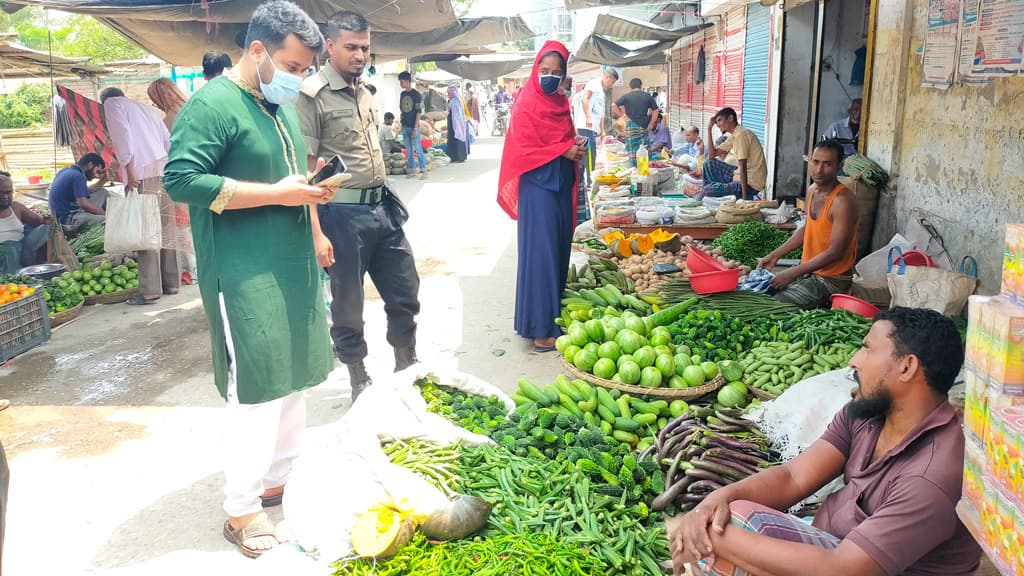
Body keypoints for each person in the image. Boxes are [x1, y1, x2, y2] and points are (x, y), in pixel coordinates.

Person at [163, 0, 334, 558]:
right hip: (243, 269)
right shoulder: (212, 105)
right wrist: (278, 194)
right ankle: (241, 510)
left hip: (291, 261)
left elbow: (284, 174)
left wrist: (309, 200)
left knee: (294, 376)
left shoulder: (277, 105)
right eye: (294, 66)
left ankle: (276, 480)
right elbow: (182, 180)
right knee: (256, 386)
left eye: (307, 69)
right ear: (257, 50)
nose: (300, 78)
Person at [670, 306, 982, 576]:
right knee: (730, 512)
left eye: (867, 348)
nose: (853, 360)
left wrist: (715, 536)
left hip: (864, 567)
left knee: (731, 529)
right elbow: (794, 477)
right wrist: (716, 500)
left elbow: (842, 570)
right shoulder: (869, 414)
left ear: (907, 367)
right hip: (837, 542)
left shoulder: (931, 475)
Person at [296, 10, 421, 399]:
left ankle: (406, 365)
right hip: (342, 216)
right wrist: (316, 232)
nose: (360, 55)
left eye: (365, 47)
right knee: (348, 303)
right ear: (330, 46)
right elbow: (304, 172)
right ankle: (357, 375)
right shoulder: (311, 96)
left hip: (383, 207)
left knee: (405, 290)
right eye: (351, 47)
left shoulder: (367, 90)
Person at [497, 41, 583, 352]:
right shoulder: (526, 102)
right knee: (542, 257)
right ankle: (541, 329)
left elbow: (562, 138)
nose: (549, 76)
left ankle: (551, 320)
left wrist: (573, 148)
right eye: (543, 71)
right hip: (538, 189)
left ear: (563, 75)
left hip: (559, 185)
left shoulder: (560, 103)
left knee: (558, 252)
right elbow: (523, 149)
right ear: (535, 71)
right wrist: (564, 150)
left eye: (556, 72)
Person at [100, 86, 181, 304]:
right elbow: (168, 142)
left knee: (145, 231)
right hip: (162, 172)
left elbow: (122, 139)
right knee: (166, 229)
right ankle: (171, 283)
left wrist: (131, 174)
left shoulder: (112, 104)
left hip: (142, 173)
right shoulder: (147, 110)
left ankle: (150, 290)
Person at [758, 140, 858, 309]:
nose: (819, 170)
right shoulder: (812, 190)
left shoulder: (843, 201)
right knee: (759, 293)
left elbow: (835, 252)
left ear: (839, 165)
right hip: (808, 272)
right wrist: (775, 255)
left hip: (830, 280)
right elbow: (807, 230)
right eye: (816, 162)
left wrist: (792, 272)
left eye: (827, 164)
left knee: (773, 306)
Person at [703, 107, 767, 200]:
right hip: (738, 175)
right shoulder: (735, 134)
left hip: (750, 184)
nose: (717, 124)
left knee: (707, 190)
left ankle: (709, 193)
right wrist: (709, 129)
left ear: (730, 118)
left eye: (720, 120)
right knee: (709, 163)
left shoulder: (742, 135)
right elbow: (712, 155)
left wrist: (744, 199)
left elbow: (743, 167)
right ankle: (713, 192)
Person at [572, 68, 618, 188]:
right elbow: (584, 98)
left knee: (592, 154)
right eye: (612, 82)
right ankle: (588, 181)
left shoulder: (602, 92)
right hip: (585, 126)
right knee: (589, 153)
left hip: (594, 128)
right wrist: (588, 117)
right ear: (607, 77)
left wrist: (602, 131)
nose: (611, 85)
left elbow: (601, 113)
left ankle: (588, 179)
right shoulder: (593, 84)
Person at [0, 173, 52, 274]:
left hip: (21, 253)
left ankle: (41, 265)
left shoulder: (17, 208)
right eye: (1, 193)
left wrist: (47, 220)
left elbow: (39, 221)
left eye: (8, 192)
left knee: (47, 229)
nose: (5, 196)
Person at [47, 153, 108, 230]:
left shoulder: (67, 171)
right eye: (97, 171)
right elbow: (84, 204)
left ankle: (102, 214)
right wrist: (105, 214)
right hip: (67, 221)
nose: (97, 176)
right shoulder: (78, 177)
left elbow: (89, 190)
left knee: (103, 192)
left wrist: (104, 179)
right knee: (108, 221)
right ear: (90, 165)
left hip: (63, 213)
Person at [614, 78, 659, 166]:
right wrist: (652, 123)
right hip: (644, 126)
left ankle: (634, 170)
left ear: (631, 87)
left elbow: (613, 105)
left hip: (631, 125)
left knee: (632, 151)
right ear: (640, 85)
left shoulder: (626, 96)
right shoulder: (647, 96)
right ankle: (646, 170)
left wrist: (622, 117)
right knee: (644, 148)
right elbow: (656, 110)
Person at [397, 71, 428, 180]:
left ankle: (424, 170)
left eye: (401, 81)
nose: (400, 84)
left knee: (417, 148)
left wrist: (415, 127)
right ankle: (413, 170)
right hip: (405, 125)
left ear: (407, 81)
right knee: (408, 150)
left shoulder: (416, 95)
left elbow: (418, 112)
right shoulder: (403, 94)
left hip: (413, 126)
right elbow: (402, 109)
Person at [445, 85, 470, 163]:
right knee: (452, 138)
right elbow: (449, 111)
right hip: (451, 122)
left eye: (449, 92)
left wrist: (450, 107)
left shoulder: (457, 101)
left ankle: (460, 157)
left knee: (458, 138)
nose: (448, 94)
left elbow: (458, 113)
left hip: (457, 123)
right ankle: (453, 157)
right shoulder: (450, 101)